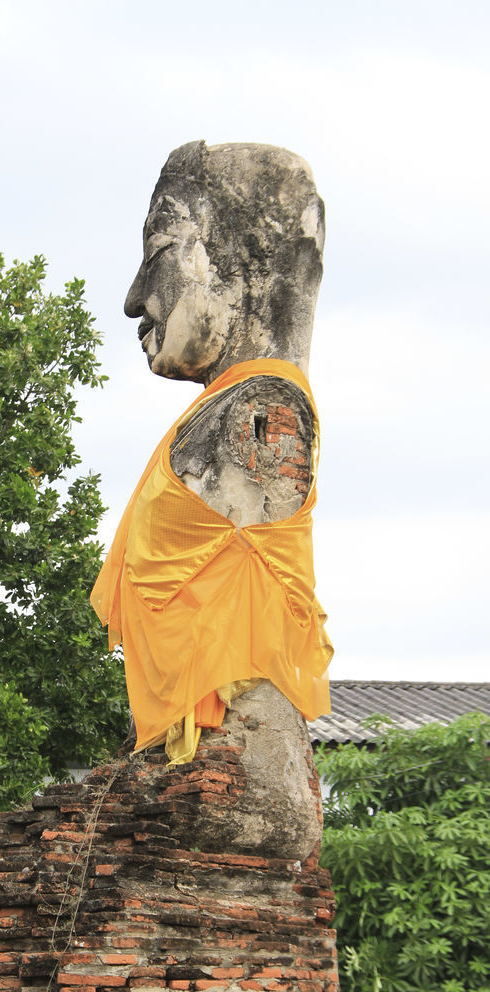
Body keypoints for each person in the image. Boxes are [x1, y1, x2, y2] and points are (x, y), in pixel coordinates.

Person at [91, 141, 332, 767]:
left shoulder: (262, 409)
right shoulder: (224, 410)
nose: (137, 296)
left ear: (242, 263)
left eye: (160, 255)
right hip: (198, 757)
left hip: (237, 756)